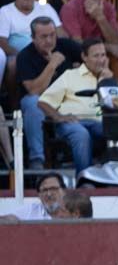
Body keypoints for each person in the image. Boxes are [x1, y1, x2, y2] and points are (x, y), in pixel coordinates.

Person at [14, 16, 79, 171]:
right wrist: (52, 65)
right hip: (39, 105)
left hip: (68, 101)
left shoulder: (67, 46)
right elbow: (34, 90)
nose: (49, 40)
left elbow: (91, 56)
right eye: (43, 37)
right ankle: (37, 159)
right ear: (33, 38)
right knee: (32, 102)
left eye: (52, 35)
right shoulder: (25, 56)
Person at [37, 37, 108, 174]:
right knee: (80, 133)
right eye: (96, 56)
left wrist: (108, 81)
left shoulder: (109, 78)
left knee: (117, 130)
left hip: (100, 123)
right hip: (73, 123)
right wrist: (58, 117)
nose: (101, 60)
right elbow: (43, 102)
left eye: (103, 55)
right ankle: (85, 178)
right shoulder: (70, 75)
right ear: (84, 57)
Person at [0, 0, 62, 79]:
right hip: (18, 54)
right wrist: (23, 56)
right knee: (12, 65)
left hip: (47, 51)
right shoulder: (5, 11)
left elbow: (61, 33)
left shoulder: (46, 8)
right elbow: (2, 42)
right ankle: (14, 96)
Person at [59, 0, 118, 64]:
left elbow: (116, 42)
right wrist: (109, 47)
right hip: (75, 57)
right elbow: (77, 44)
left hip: (100, 57)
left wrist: (100, 18)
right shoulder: (70, 8)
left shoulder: (108, 7)